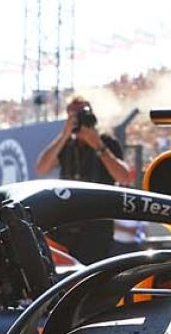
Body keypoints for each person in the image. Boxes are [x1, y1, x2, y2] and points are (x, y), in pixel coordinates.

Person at [33, 95, 133, 261]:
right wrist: (64, 135)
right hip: (68, 223)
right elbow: (41, 168)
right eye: (73, 115)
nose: (78, 118)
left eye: (81, 113)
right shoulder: (66, 145)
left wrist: (98, 146)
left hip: (97, 225)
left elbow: (123, 177)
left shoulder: (106, 142)